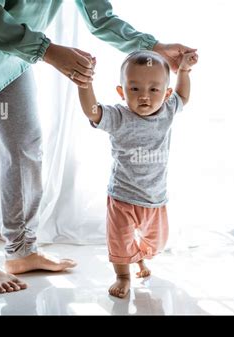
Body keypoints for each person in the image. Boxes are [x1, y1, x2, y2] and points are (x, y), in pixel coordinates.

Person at [0, 0, 196, 293]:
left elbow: (99, 15)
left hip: (13, 38)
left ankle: (22, 249)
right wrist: (47, 51)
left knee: (26, 141)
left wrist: (152, 46)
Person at [78, 50, 198, 297]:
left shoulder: (167, 111)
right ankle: (123, 275)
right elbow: (93, 112)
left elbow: (183, 95)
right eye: (134, 89)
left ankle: (140, 258)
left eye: (154, 90)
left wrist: (184, 71)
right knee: (120, 239)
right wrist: (85, 83)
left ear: (165, 94)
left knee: (156, 242)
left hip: (155, 197)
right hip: (122, 196)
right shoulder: (119, 117)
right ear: (122, 92)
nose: (144, 96)